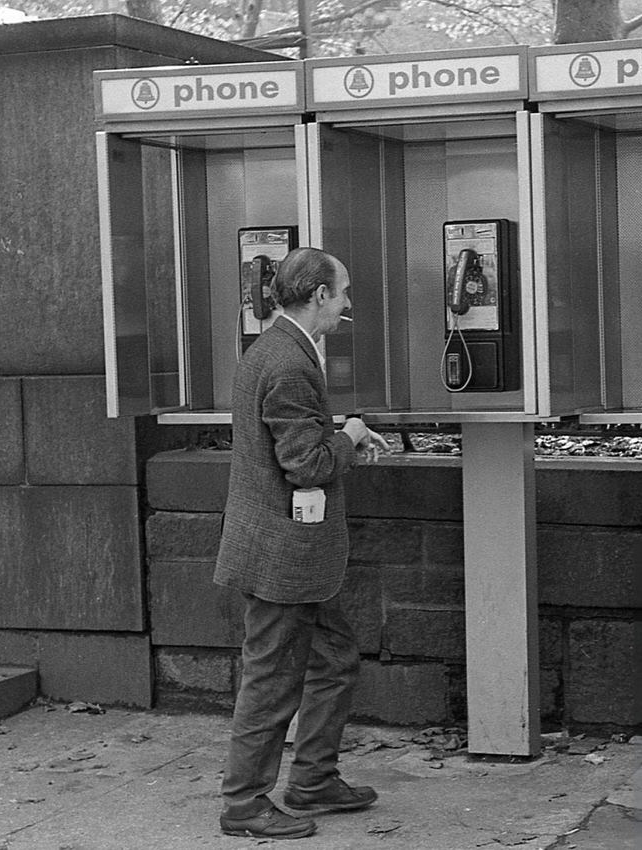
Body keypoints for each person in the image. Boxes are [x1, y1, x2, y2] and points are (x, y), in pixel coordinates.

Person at [214, 247, 388, 840]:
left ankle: (313, 779)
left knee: (334, 660)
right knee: (272, 677)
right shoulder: (288, 365)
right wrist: (350, 437)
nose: (345, 305)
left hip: (302, 554)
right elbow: (306, 465)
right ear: (318, 295)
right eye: (340, 293)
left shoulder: (277, 351)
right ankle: (244, 804)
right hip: (283, 556)